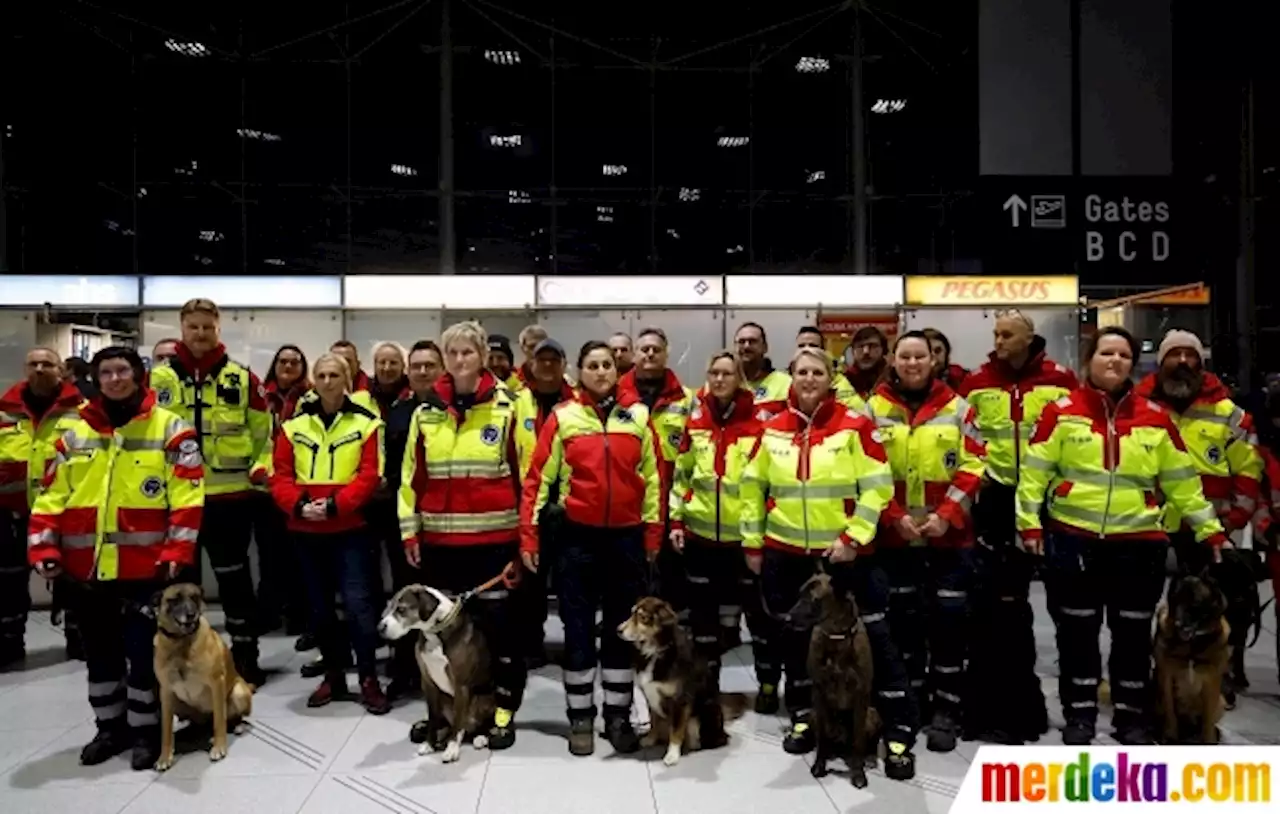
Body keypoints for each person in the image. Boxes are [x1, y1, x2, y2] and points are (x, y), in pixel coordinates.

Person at [1017, 326, 1229, 745]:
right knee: (1076, 635)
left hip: (1139, 545)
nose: (1114, 361)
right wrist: (1029, 524)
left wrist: (1211, 531)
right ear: (1089, 360)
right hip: (1074, 541)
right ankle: (1079, 715)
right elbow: (1034, 476)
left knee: (1132, 636)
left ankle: (1131, 716)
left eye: (1124, 355)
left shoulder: (1154, 417)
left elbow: (1183, 483)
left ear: (1134, 364)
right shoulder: (1059, 413)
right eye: (1106, 353)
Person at [739, 346, 918, 780]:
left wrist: (854, 537)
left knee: (876, 641)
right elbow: (750, 486)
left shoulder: (855, 425)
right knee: (797, 645)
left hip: (846, 559)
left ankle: (898, 735)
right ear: (791, 377)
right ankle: (804, 717)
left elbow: (878, 490)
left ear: (830, 377)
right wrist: (753, 544)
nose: (808, 379)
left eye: (817, 371)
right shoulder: (773, 430)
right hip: (787, 555)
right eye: (801, 371)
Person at [28, 346, 204, 769]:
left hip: (147, 570)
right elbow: (51, 496)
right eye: (105, 372)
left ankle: (147, 732)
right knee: (100, 657)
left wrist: (177, 551)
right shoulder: (72, 432)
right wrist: (44, 547)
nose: (114, 378)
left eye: (122, 370)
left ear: (138, 375)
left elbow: (188, 496)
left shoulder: (172, 429)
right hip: (85, 571)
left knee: (145, 658)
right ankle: (109, 728)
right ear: (96, 378)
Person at [521, 340, 662, 757]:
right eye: (592, 365)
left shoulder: (637, 417)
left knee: (621, 632)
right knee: (578, 631)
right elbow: (536, 481)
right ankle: (580, 719)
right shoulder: (564, 418)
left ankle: (617, 717)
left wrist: (653, 534)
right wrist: (529, 536)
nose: (601, 371)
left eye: (606, 365)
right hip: (576, 541)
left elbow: (653, 481)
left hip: (626, 540)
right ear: (579, 371)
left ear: (616, 370)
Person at [399, 322, 526, 748]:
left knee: (501, 639)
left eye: (466, 353)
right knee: (438, 642)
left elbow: (529, 478)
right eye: (451, 353)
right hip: (440, 548)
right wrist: (410, 533)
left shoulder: (511, 408)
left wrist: (526, 540)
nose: (459, 361)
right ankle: (444, 716)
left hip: (494, 546)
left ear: (482, 356)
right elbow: (409, 480)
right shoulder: (425, 411)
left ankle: (502, 714)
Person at [958, 309, 1077, 743]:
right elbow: (966, 440)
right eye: (995, 333)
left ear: (1030, 337)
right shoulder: (976, 382)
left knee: (1066, 609)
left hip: (1049, 500)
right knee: (999, 605)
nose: (999, 340)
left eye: (1007, 334)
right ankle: (995, 702)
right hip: (996, 500)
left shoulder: (1061, 380)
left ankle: (1070, 704)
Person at [866, 332, 986, 753]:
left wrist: (946, 516)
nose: (913, 363)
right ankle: (909, 703)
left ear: (933, 361)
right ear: (893, 360)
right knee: (903, 624)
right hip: (895, 540)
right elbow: (866, 469)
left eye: (921, 356)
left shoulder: (958, 408)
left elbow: (974, 464)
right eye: (905, 356)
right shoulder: (873, 409)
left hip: (948, 540)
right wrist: (895, 518)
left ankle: (946, 710)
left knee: (949, 624)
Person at [1134, 329, 1264, 704]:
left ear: (1201, 364)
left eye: (1190, 356)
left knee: (1211, 606)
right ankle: (1148, 676)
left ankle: (1216, 675)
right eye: (1174, 356)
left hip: (1210, 527)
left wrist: (1236, 517)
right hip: (1148, 523)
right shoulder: (1140, 406)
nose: (1183, 362)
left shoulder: (1229, 414)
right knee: (1140, 605)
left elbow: (1248, 469)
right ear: (1160, 364)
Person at [148, 298, 270, 685]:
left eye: (207, 327)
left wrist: (261, 463)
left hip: (229, 499)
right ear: (182, 329)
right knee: (180, 587)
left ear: (218, 328)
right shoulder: (157, 380)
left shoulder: (242, 378)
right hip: (176, 501)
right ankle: (183, 660)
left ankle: (246, 658)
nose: (200, 334)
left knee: (235, 583)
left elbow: (265, 433)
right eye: (193, 327)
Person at [270, 352, 389, 714]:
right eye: (321, 375)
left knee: (358, 606)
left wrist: (336, 505)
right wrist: (299, 505)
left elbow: (369, 475)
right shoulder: (294, 427)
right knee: (320, 609)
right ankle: (334, 675)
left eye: (334, 374)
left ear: (347, 379)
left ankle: (367, 677)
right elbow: (280, 476)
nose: (327, 381)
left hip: (350, 529)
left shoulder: (367, 423)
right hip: (306, 530)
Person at [669, 351, 771, 709]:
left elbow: (767, 485)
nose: (719, 379)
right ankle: (706, 686)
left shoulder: (760, 421)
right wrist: (677, 519)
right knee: (703, 625)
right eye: (713, 372)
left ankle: (769, 684)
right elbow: (681, 476)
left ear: (739, 378)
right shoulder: (694, 420)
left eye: (727, 373)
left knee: (758, 621)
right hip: (700, 539)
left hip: (743, 541)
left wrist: (757, 536)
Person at [0, 347, 85, 666]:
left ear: (61, 370)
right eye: (33, 364)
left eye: (47, 364)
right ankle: (8, 642)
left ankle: (79, 639)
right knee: (7, 583)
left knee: (73, 580)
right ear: (25, 368)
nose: (39, 369)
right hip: (10, 511)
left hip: (65, 512)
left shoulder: (83, 411)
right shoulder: (4, 410)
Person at [380, 339, 443, 695]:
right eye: (416, 366)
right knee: (403, 596)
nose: (422, 371)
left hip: (441, 521)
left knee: (436, 597)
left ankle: (441, 669)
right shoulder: (399, 411)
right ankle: (404, 669)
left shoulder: (450, 409)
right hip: (401, 519)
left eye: (429, 365)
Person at [512, 337, 576, 669]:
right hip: (529, 504)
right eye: (542, 360)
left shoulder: (578, 402)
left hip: (569, 507)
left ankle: (573, 644)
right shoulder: (515, 402)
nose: (548, 366)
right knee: (530, 584)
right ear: (531, 365)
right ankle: (531, 645)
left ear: (564, 365)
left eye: (555, 359)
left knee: (570, 583)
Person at [618, 327, 694, 608]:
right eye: (644, 348)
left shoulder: (686, 399)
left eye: (656, 349)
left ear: (666, 354)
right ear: (635, 354)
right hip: (627, 504)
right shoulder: (615, 397)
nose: (650, 353)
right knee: (627, 577)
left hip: (670, 503)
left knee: (670, 581)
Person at [796, 326, 864, 411]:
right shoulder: (785, 381)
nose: (806, 349)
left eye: (813, 346)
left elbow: (858, 413)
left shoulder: (839, 383)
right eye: (801, 346)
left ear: (823, 350)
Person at [734, 322, 791, 420]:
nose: (746, 346)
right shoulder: (725, 382)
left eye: (752, 341)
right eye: (741, 342)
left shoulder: (786, 383)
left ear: (765, 347)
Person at [846, 326, 889, 399]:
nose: (866, 351)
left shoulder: (894, 380)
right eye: (860, 346)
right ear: (853, 351)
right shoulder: (844, 382)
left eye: (872, 346)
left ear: (883, 350)